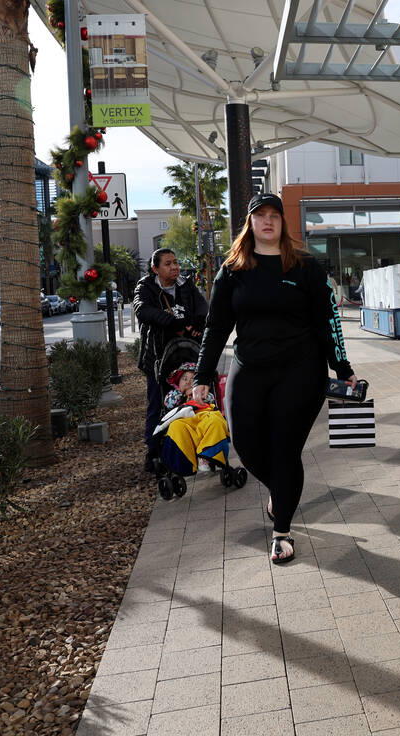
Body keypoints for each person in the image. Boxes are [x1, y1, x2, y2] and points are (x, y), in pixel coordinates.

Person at [193, 192, 358, 565]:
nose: (268, 221)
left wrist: (343, 369)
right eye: (260, 215)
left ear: (283, 223)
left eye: (275, 216)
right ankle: (280, 492)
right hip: (249, 367)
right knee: (246, 442)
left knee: (285, 449)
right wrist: (202, 374)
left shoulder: (305, 268)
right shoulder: (232, 271)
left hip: (301, 371)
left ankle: (281, 530)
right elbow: (216, 327)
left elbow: (328, 323)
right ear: (249, 223)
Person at [133, 248, 208, 472]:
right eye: (168, 264)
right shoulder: (145, 286)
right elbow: (142, 309)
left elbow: (202, 308)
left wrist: (196, 325)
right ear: (155, 268)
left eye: (175, 262)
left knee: (191, 400)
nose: (174, 267)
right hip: (157, 356)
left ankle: (192, 446)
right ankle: (153, 452)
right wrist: (172, 322)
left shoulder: (186, 284)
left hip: (185, 355)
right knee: (157, 402)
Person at [157, 362, 230, 477]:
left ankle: (206, 455)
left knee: (214, 420)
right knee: (176, 426)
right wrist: (180, 394)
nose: (188, 382)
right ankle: (184, 461)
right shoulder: (174, 394)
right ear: (177, 382)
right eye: (184, 379)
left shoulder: (204, 393)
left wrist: (198, 394)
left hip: (202, 417)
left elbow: (210, 400)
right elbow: (168, 404)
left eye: (192, 379)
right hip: (185, 422)